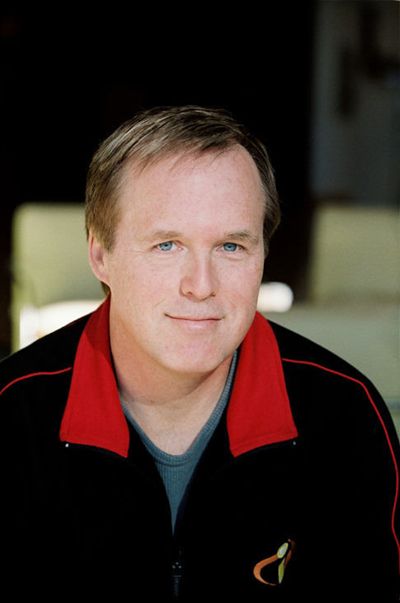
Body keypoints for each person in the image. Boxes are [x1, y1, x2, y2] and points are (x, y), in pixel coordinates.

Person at [1, 105, 399, 601]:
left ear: (263, 255)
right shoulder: (11, 415)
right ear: (101, 254)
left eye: (231, 246)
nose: (201, 285)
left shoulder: (343, 415)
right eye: (167, 245)